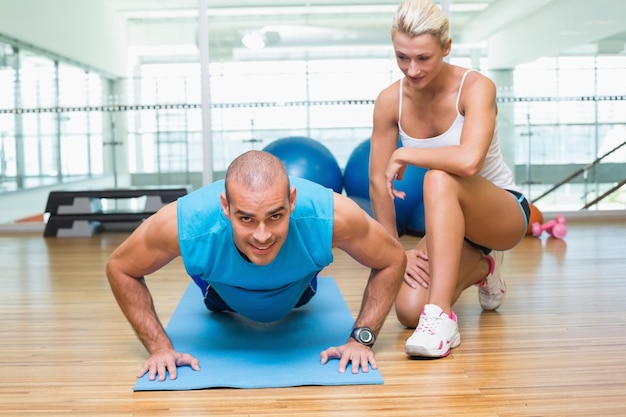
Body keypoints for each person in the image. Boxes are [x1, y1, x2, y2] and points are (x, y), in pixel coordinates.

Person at [106, 150, 406, 381]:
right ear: (225, 206)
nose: (262, 235)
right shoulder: (184, 224)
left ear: (292, 201)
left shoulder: (333, 217)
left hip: (297, 287)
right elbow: (120, 268)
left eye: (275, 216)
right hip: (220, 291)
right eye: (246, 218)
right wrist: (159, 347)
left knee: (295, 261)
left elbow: (392, 259)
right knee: (218, 266)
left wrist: (362, 340)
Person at [368, 0, 530, 359]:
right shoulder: (388, 102)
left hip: (501, 212)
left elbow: (469, 162)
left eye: (423, 58)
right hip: (449, 221)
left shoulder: (476, 87)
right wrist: (395, 251)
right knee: (408, 310)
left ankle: (441, 320)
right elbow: (379, 183)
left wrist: (404, 153)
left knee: (440, 177)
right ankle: (484, 268)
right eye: (402, 57)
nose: (411, 69)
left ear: (446, 47)